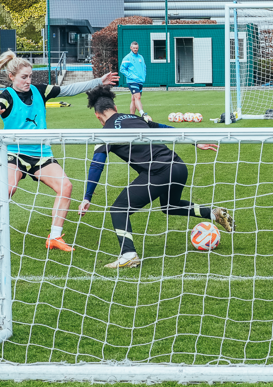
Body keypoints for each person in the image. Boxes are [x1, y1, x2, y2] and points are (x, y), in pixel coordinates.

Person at [0, 50, 119, 252]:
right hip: (14, 154)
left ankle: (55, 237)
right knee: (7, 189)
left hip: (41, 154)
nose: (28, 80)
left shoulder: (40, 91)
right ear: (12, 77)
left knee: (65, 186)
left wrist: (98, 81)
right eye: (24, 77)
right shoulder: (7, 97)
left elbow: (70, 89)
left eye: (30, 76)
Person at [78, 86, 235, 269]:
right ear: (115, 107)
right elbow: (166, 129)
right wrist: (195, 141)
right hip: (178, 166)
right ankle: (213, 214)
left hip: (159, 173)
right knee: (170, 206)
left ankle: (128, 255)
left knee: (118, 209)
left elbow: (97, 164)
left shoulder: (106, 132)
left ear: (98, 116)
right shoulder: (135, 117)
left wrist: (87, 196)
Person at [119, 41, 150, 121]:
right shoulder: (127, 58)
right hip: (132, 81)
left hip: (140, 81)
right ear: (131, 48)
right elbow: (122, 69)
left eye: (136, 48)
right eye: (134, 48)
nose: (135, 49)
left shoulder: (141, 57)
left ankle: (131, 117)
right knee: (138, 97)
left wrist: (143, 76)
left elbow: (144, 68)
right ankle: (143, 114)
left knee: (134, 99)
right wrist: (131, 76)